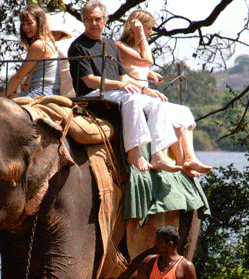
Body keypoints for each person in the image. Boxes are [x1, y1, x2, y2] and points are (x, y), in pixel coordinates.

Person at [67, 0, 183, 173]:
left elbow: (123, 77)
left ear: (104, 21)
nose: (94, 23)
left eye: (98, 19)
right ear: (84, 21)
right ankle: (133, 152)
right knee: (132, 98)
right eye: (89, 20)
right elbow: (89, 80)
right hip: (92, 94)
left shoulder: (110, 44)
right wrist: (120, 85)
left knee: (158, 102)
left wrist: (145, 89)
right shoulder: (78, 46)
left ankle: (157, 155)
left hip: (115, 92)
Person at [115, 10, 211, 177]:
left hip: (143, 94)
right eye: (148, 28)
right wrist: (141, 37)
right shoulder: (119, 46)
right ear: (135, 27)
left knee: (184, 112)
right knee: (162, 106)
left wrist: (148, 72)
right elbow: (145, 60)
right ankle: (160, 156)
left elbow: (141, 63)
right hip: (135, 95)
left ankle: (188, 159)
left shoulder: (137, 48)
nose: (151, 32)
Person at [1, 4, 60, 99]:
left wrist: (1, 97)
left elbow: (18, 77)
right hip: (52, 91)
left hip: (41, 92)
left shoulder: (39, 45)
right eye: (23, 24)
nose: (25, 28)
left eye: (29, 23)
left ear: (39, 23)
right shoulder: (49, 42)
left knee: (4, 103)